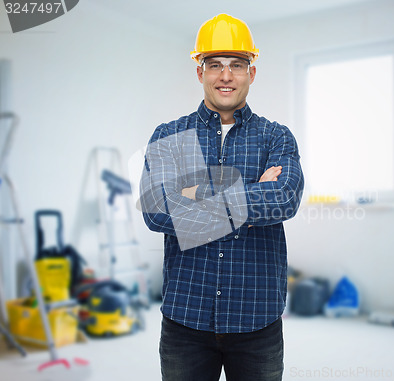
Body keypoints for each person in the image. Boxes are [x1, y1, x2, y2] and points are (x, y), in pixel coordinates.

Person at [139, 13, 304, 381]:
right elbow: (156, 211)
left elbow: (283, 199)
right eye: (214, 65)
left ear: (251, 72)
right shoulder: (171, 134)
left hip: (256, 320)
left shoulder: (276, 137)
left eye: (236, 65)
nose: (225, 75)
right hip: (186, 318)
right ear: (200, 72)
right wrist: (251, 193)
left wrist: (194, 193)